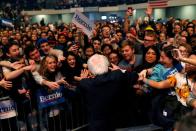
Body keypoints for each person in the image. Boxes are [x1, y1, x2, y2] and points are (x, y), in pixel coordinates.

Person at [78, 54, 139, 131]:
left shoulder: (85, 83)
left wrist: (83, 80)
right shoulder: (117, 75)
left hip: (98, 126)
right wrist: (120, 70)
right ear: (107, 66)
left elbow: (78, 96)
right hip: (119, 122)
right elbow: (134, 76)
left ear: (90, 70)